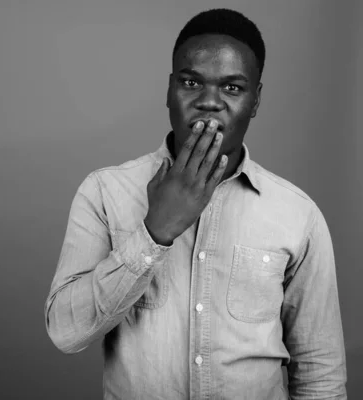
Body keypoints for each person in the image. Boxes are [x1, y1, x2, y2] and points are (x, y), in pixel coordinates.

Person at [44, 8, 347, 400]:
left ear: (255, 100)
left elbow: (320, 372)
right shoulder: (104, 191)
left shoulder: (298, 214)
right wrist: (154, 234)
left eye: (233, 88)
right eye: (191, 82)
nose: (209, 102)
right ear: (169, 90)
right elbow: (65, 334)